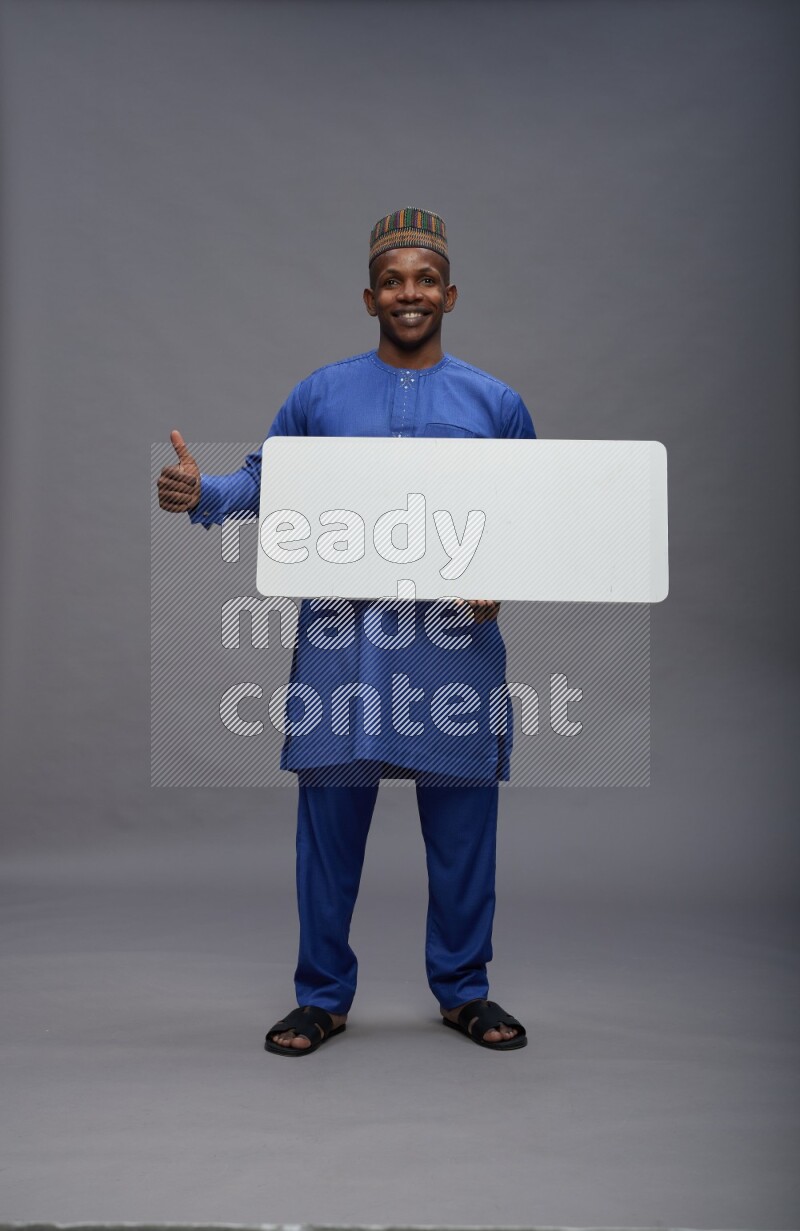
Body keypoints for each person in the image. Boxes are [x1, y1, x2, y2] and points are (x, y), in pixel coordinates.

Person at [157, 208, 535, 1055]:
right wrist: (200, 492)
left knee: (465, 834)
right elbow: (265, 480)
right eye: (394, 280)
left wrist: (500, 581)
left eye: (426, 279)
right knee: (327, 836)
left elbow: (530, 514)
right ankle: (321, 994)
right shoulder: (320, 395)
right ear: (370, 297)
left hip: (452, 652)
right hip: (343, 645)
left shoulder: (495, 403)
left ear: (450, 293)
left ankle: (464, 990)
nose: (411, 293)